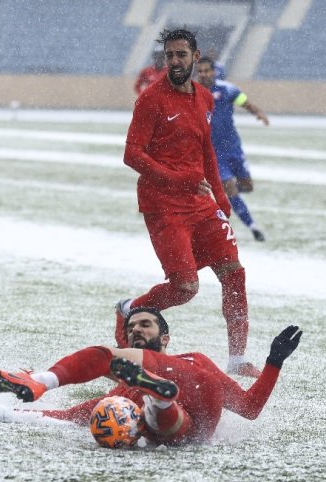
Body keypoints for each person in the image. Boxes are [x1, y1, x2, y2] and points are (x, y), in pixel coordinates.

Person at [119, 28, 261, 377]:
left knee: (234, 274)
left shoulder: (204, 98)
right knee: (185, 287)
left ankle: (237, 360)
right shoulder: (151, 99)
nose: (175, 61)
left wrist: (221, 196)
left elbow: (206, 150)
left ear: (195, 58)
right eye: (170, 56)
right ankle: (130, 309)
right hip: (162, 204)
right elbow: (131, 154)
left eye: (182, 55)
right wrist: (175, 178)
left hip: (200, 204)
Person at [0, 308, 302, 446]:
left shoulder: (192, 358)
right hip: (175, 422)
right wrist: (4, 414)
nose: (136, 330)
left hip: (196, 384)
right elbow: (66, 415)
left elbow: (248, 407)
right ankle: (158, 398)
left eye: (145, 325)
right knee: (89, 412)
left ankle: (41, 380)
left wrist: (274, 363)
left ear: (165, 337)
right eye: (131, 327)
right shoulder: (124, 386)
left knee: (107, 358)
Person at [196, 56, 269, 242]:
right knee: (230, 189)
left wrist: (259, 113)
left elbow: (246, 102)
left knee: (247, 186)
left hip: (234, 148)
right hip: (214, 154)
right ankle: (253, 227)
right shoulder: (193, 93)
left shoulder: (228, 90)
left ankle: (228, 194)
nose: (203, 74)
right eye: (200, 71)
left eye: (207, 70)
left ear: (214, 71)